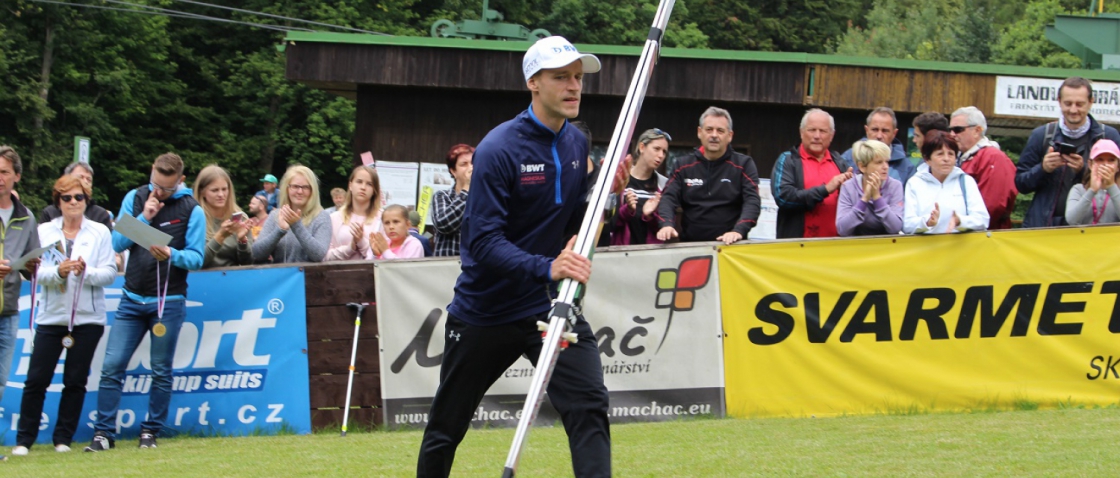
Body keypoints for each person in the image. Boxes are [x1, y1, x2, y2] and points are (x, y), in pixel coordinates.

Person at [417, 35, 611, 478]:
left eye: (578, 78)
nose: (573, 87)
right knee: (447, 426)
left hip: (549, 305)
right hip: (486, 310)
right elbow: (482, 243)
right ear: (533, 82)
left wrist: (602, 203)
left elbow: (572, 216)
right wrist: (548, 265)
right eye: (561, 77)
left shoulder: (577, 143)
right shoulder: (498, 149)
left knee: (589, 406)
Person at [87, 152, 205, 452]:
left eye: (166, 188)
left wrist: (172, 255)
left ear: (180, 181)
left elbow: (196, 257)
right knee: (112, 365)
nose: (158, 192)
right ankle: (103, 434)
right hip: (131, 298)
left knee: (161, 370)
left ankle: (150, 432)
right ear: (151, 172)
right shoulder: (136, 197)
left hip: (169, 300)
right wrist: (144, 217)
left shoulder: (192, 209)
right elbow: (116, 244)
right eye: (155, 184)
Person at [13, 176, 116, 456]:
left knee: (75, 381)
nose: (73, 203)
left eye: (79, 197)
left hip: (88, 318)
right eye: (67, 198)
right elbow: (32, 271)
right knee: (36, 380)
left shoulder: (99, 232)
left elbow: (109, 272)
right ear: (57, 201)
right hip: (50, 316)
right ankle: (24, 440)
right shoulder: (43, 230)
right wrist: (58, 272)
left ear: (86, 200)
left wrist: (87, 272)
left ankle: (63, 439)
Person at [1017, 76, 1120, 228]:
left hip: (1090, 229)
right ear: (1059, 101)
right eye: (1068, 103)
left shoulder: (1108, 136)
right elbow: (1021, 184)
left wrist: (1083, 170)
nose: (1073, 110)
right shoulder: (1041, 135)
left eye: (1080, 104)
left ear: (1091, 102)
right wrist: (1043, 169)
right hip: (1044, 226)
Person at [656, 107, 761, 244]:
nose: (714, 135)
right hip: (691, 248)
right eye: (709, 129)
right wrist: (666, 225)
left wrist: (738, 230)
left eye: (720, 131)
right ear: (700, 132)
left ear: (730, 136)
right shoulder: (682, 165)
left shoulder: (744, 165)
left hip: (730, 247)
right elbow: (668, 198)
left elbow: (752, 202)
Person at [0, 146, 40, 462]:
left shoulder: (27, 217)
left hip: (8, 310)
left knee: (0, 382)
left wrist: (31, 266)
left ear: (16, 176)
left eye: (3, 172)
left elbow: (32, 266)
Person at [771, 108, 855, 239]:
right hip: (797, 248)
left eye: (823, 131)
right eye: (812, 130)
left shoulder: (841, 163)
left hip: (835, 248)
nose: (817, 136)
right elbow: (783, 198)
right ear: (801, 132)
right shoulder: (788, 160)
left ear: (832, 135)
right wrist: (826, 189)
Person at [903, 131, 989, 234]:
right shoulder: (914, 183)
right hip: (926, 249)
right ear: (927, 159)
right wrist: (927, 222)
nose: (946, 159)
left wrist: (960, 221)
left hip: (961, 248)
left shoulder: (966, 181)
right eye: (940, 154)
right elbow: (907, 225)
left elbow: (983, 220)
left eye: (951, 154)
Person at [948, 107, 1018, 230]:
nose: (952, 134)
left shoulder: (993, 158)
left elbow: (992, 206)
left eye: (958, 129)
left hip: (985, 236)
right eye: (951, 130)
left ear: (977, 130)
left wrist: (963, 223)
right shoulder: (959, 158)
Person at [251, 165, 331, 264]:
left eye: (305, 187)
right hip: (280, 277)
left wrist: (296, 225)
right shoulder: (275, 215)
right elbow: (257, 253)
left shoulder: (322, 216)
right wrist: (279, 231)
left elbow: (319, 255)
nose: (300, 191)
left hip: (310, 277)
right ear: (287, 189)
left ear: (312, 190)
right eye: (295, 186)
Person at [612, 128, 669, 245]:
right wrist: (627, 211)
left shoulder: (663, 184)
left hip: (650, 255)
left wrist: (649, 216)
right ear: (642, 147)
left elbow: (663, 228)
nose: (661, 155)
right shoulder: (620, 179)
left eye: (664, 152)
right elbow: (607, 223)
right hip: (621, 253)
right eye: (657, 149)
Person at [836, 140, 904, 236]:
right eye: (879, 162)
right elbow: (842, 229)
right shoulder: (848, 187)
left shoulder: (895, 186)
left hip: (887, 247)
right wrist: (864, 200)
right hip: (856, 246)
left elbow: (895, 227)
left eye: (887, 161)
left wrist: (877, 197)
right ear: (862, 166)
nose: (886, 167)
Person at [193, 165, 253, 268]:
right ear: (202, 192)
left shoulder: (240, 217)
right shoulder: (194, 218)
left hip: (232, 279)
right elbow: (195, 263)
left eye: (224, 189)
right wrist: (220, 236)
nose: (221, 194)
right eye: (215, 190)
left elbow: (248, 264)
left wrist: (242, 241)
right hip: (201, 279)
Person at [841, 107, 917, 188]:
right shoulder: (847, 158)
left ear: (894, 133)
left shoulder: (907, 167)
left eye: (885, 131)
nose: (879, 136)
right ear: (867, 130)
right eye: (875, 129)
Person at [325, 165, 383, 261]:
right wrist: (349, 248)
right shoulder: (334, 218)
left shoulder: (382, 218)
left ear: (374, 190)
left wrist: (361, 242)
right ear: (350, 185)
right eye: (359, 182)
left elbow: (385, 257)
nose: (363, 187)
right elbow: (325, 256)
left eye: (369, 184)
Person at [39, 161, 113, 231]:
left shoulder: (100, 214)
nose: (85, 182)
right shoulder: (49, 213)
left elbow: (117, 241)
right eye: (80, 177)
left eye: (89, 179)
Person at [431, 144, 474, 257]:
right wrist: (467, 189)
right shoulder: (442, 196)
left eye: (473, 163)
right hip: (446, 268)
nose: (471, 168)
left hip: (474, 267)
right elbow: (443, 224)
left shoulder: (485, 198)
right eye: (464, 164)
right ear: (453, 171)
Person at [1066, 139, 1120, 225]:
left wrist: (1111, 186)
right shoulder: (1078, 189)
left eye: (1111, 160)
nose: (1105, 164)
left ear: (1118, 166)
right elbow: (1071, 219)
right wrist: (1092, 190)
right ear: (1090, 164)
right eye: (1100, 159)